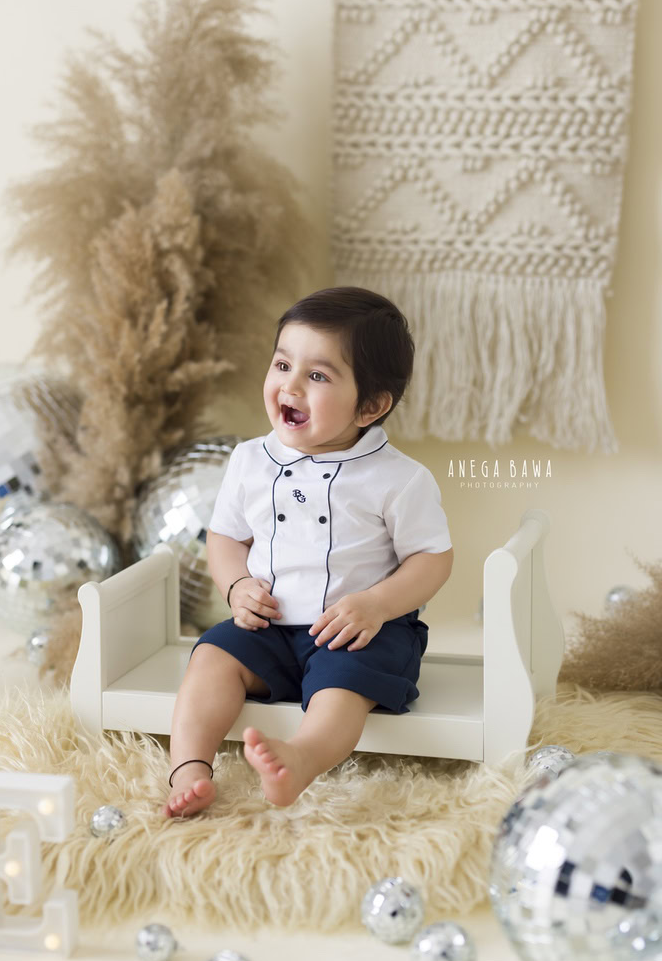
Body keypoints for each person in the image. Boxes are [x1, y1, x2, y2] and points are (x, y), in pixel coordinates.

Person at [166, 286, 453, 818]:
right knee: (210, 657)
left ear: (370, 405)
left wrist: (378, 605)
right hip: (269, 625)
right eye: (281, 364)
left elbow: (432, 558)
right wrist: (236, 586)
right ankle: (189, 769)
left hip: (360, 631)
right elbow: (226, 537)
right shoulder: (250, 460)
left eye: (317, 376)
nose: (289, 386)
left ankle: (301, 759)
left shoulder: (397, 479)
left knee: (342, 688)